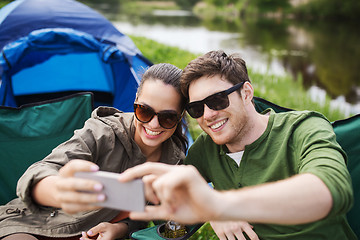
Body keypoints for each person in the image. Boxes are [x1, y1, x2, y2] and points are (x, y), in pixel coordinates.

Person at [119, 50, 356, 240]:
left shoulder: (304, 128)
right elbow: (170, 214)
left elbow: (332, 189)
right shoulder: (206, 148)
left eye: (217, 100)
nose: (208, 115)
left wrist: (222, 206)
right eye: (197, 109)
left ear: (246, 92)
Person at [0, 63, 188, 240]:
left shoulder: (173, 162)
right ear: (135, 101)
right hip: (30, 225)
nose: (153, 124)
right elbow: (40, 170)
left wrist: (119, 229)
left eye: (168, 117)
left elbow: (143, 215)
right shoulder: (102, 132)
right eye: (145, 111)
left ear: (180, 117)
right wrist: (59, 191)